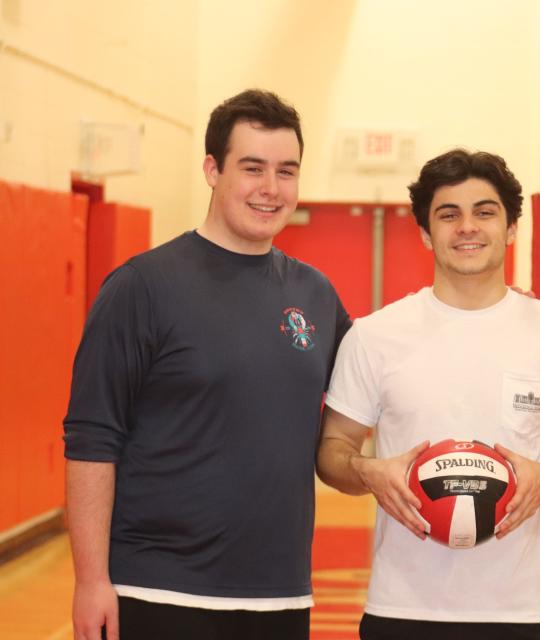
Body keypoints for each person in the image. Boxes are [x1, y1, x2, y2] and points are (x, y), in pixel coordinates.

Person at [63, 89, 351, 640]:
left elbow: (385, 372)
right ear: (212, 169)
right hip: (157, 589)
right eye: (252, 168)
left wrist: (491, 305)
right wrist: (91, 580)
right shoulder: (141, 287)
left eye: (286, 171)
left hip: (280, 595)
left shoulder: (314, 294)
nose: (271, 189)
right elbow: (91, 440)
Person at [316, 149, 540, 640]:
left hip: (518, 612)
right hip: (401, 607)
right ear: (427, 233)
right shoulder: (374, 336)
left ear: (511, 228)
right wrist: (369, 471)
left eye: (484, 212)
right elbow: (331, 453)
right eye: (449, 215)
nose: (467, 227)